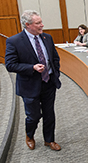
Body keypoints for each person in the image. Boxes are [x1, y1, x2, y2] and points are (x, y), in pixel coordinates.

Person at [5, 10, 62, 151]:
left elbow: (54, 58)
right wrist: (32, 67)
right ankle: (29, 135)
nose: (42, 25)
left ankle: (49, 140)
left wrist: (56, 74)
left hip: (48, 83)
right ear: (27, 25)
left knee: (49, 114)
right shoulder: (14, 41)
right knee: (34, 116)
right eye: (38, 23)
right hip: (29, 85)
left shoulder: (47, 38)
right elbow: (10, 65)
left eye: (41, 22)